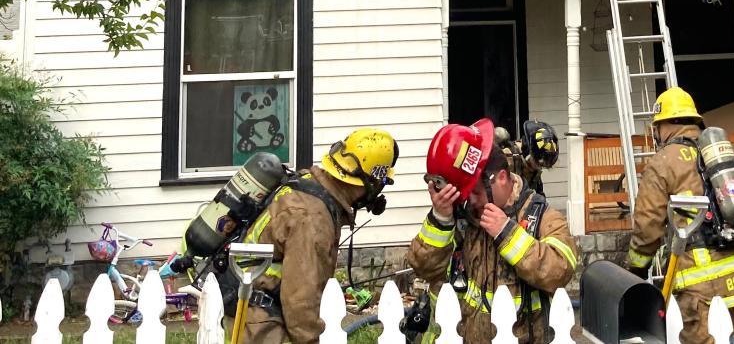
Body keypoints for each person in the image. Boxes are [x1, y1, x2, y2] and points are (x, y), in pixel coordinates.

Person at [408, 118, 578, 344]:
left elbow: (560, 270)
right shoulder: (464, 219)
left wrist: (508, 233)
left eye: (476, 192)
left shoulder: (541, 216)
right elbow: (424, 269)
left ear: (501, 178)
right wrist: (441, 217)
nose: (471, 200)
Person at [229, 128, 399, 344]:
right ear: (370, 182)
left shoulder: (309, 182)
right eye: (381, 183)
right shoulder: (313, 219)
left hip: (250, 305)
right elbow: (301, 303)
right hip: (258, 321)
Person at [626, 88, 734, 344]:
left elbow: (647, 227)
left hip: (704, 284)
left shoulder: (663, 161)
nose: (656, 133)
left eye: (657, 126)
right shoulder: (719, 154)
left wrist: (635, 269)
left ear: (666, 124)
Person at [494, 120, 560, 193]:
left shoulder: (534, 171)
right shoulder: (508, 158)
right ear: (528, 152)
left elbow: (539, 194)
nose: (539, 167)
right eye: (538, 163)